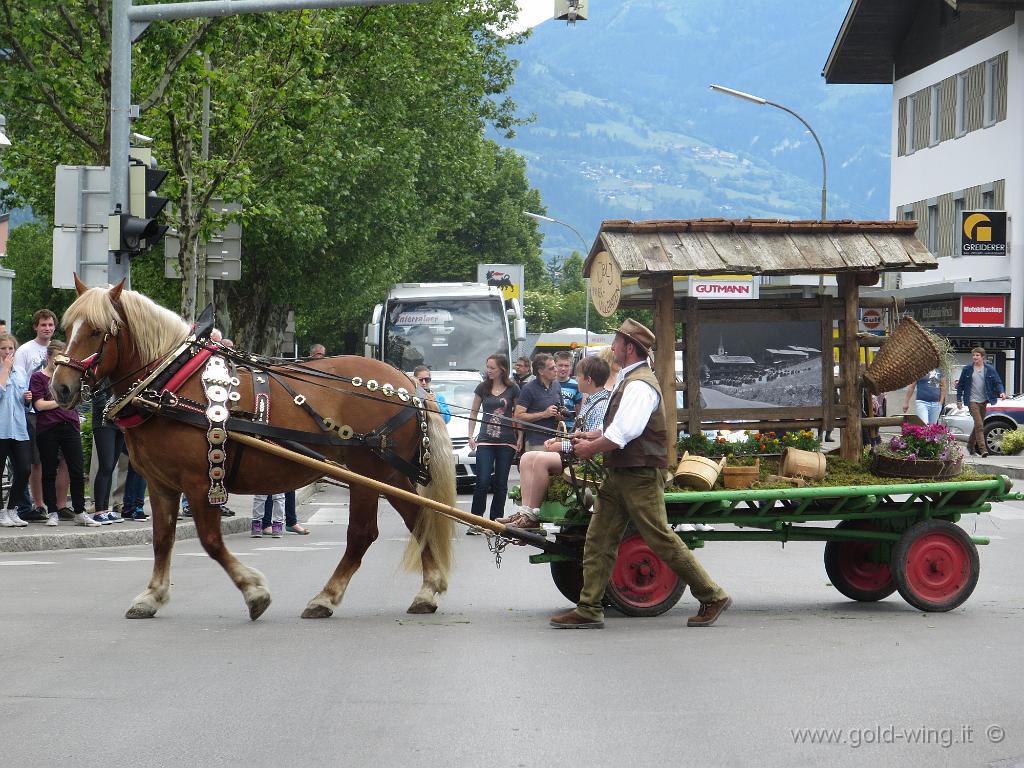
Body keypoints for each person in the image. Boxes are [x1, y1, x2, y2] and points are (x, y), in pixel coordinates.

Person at [551, 319, 731, 630]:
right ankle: (589, 608)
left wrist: (589, 448)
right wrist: (592, 437)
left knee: (659, 538)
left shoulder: (638, 385)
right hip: (622, 473)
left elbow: (623, 435)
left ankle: (712, 594)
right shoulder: (629, 379)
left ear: (629, 348)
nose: (613, 347)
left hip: (639, 475)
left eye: (617, 342)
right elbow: (616, 430)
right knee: (598, 539)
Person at [498, 355, 611, 530]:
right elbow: (580, 433)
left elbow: (597, 437)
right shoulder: (591, 400)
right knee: (527, 457)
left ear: (588, 379)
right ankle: (525, 512)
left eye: (578, 375)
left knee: (541, 460)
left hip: (586, 460)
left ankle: (533, 516)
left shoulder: (602, 404)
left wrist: (562, 445)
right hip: (576, 453)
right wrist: (558, 439)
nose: (575, 378)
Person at [30, 341, 100, 527]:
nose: (60, 363)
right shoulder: (39, 377)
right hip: (48, 427)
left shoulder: (68, 379)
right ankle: (52, 510)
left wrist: (68, 401)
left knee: (76, 469)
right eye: (56, 359)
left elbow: (77, 398)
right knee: (49, 470)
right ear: (48, 357)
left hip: (70, 425)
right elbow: (39, 405)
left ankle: (79, 510)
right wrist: (63, 401)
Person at [14, 309, 66, 521]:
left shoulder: (63, 349)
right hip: (35, 412)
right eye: (43, 325)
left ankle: (62, 505)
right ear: (35, 326)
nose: (47, 328)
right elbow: (17, 378)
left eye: (50, 325)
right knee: (39, 461)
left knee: (64, 460)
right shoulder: (26, 350)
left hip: (61, 413)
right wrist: (24, 397)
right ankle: (40, 504)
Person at [467, 354, 520, 528]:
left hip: (507, 441)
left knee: (500, 483)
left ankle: (495, 521)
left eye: (492, 367)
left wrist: (520, 438)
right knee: (482, 481)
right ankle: (476, 520)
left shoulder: (513, 388)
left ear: (502, 370)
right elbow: (474, 412)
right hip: (485, 441)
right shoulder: (482, 387)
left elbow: (518, 416)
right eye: (487, 367)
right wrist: (470, 435)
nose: (488, 370)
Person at [0, 333, 31, 527]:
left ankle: (12, 509)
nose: (8, 352)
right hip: (1, 429)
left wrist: (27, 399)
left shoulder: (20, 372)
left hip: (19, 428)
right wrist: (5, 369)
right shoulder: (5, 369)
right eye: (3, 348)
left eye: (11, 348)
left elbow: (24, 403)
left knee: (24, 469)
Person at [956, 348, 1006, 458]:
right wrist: (959, 399)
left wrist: (1001, 392)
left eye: (977, 355)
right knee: (979, 425)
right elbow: (960, 385)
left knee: (978, 425)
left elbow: (997, 382)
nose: (975, 357)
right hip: (972, 400)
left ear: (983, 357)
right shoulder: (967, 369)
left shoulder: (989, 369)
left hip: (984, 401)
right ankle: (983, 449)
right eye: (973, 355)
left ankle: (970, 446)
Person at [90, 387, 126, 524]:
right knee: (105, 466)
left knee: (111, 467)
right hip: (104, 424)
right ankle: (99, 510)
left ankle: (105, 509)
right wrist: (117, 417)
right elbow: (99, 402)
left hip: (118, 425)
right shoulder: (102, 377)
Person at [513, 353, 561, 452]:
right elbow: (518, 416)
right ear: (541, 371)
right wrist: (544, 414)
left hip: (555, 440)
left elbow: (561, 407)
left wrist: (559, 415)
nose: (556, 370)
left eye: (555, 367)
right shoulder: (528, 388)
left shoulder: (556, 385)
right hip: (536, 442)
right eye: (551, 368)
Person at [554, 350, 583, 431]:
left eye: (566, 366)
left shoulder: (576, 385)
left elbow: (579, 411)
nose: (563, 368)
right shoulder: (548, 383)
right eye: (560, 365)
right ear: (555, 365)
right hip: (550, 428)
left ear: (571, 367)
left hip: (569, 429)